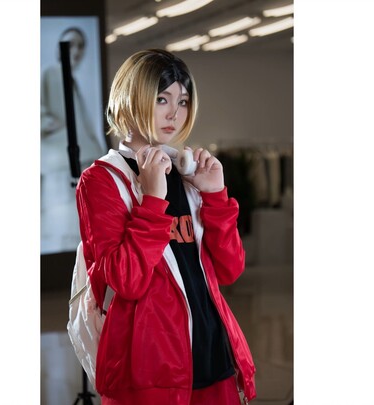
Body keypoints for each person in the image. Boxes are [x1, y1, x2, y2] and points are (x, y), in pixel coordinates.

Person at [75, 49, 256, 404]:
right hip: (150, 370)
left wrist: (216, 196)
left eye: (183, 101)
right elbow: (127, 281)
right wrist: (153, 201)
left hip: (213, 355)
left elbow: (230, 269)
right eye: (162, 99)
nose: (175, 113)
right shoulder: (101, 180)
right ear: (132, 98)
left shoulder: (189, 173)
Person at [40, 26, 106, 253]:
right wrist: (49, 123)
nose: (76, 51)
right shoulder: (51, 74)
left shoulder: (71, 80)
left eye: (80, 46)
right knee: (63, 224)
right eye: (71, 45)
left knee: (79, 225)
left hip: (83, 160)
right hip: (61, 163)